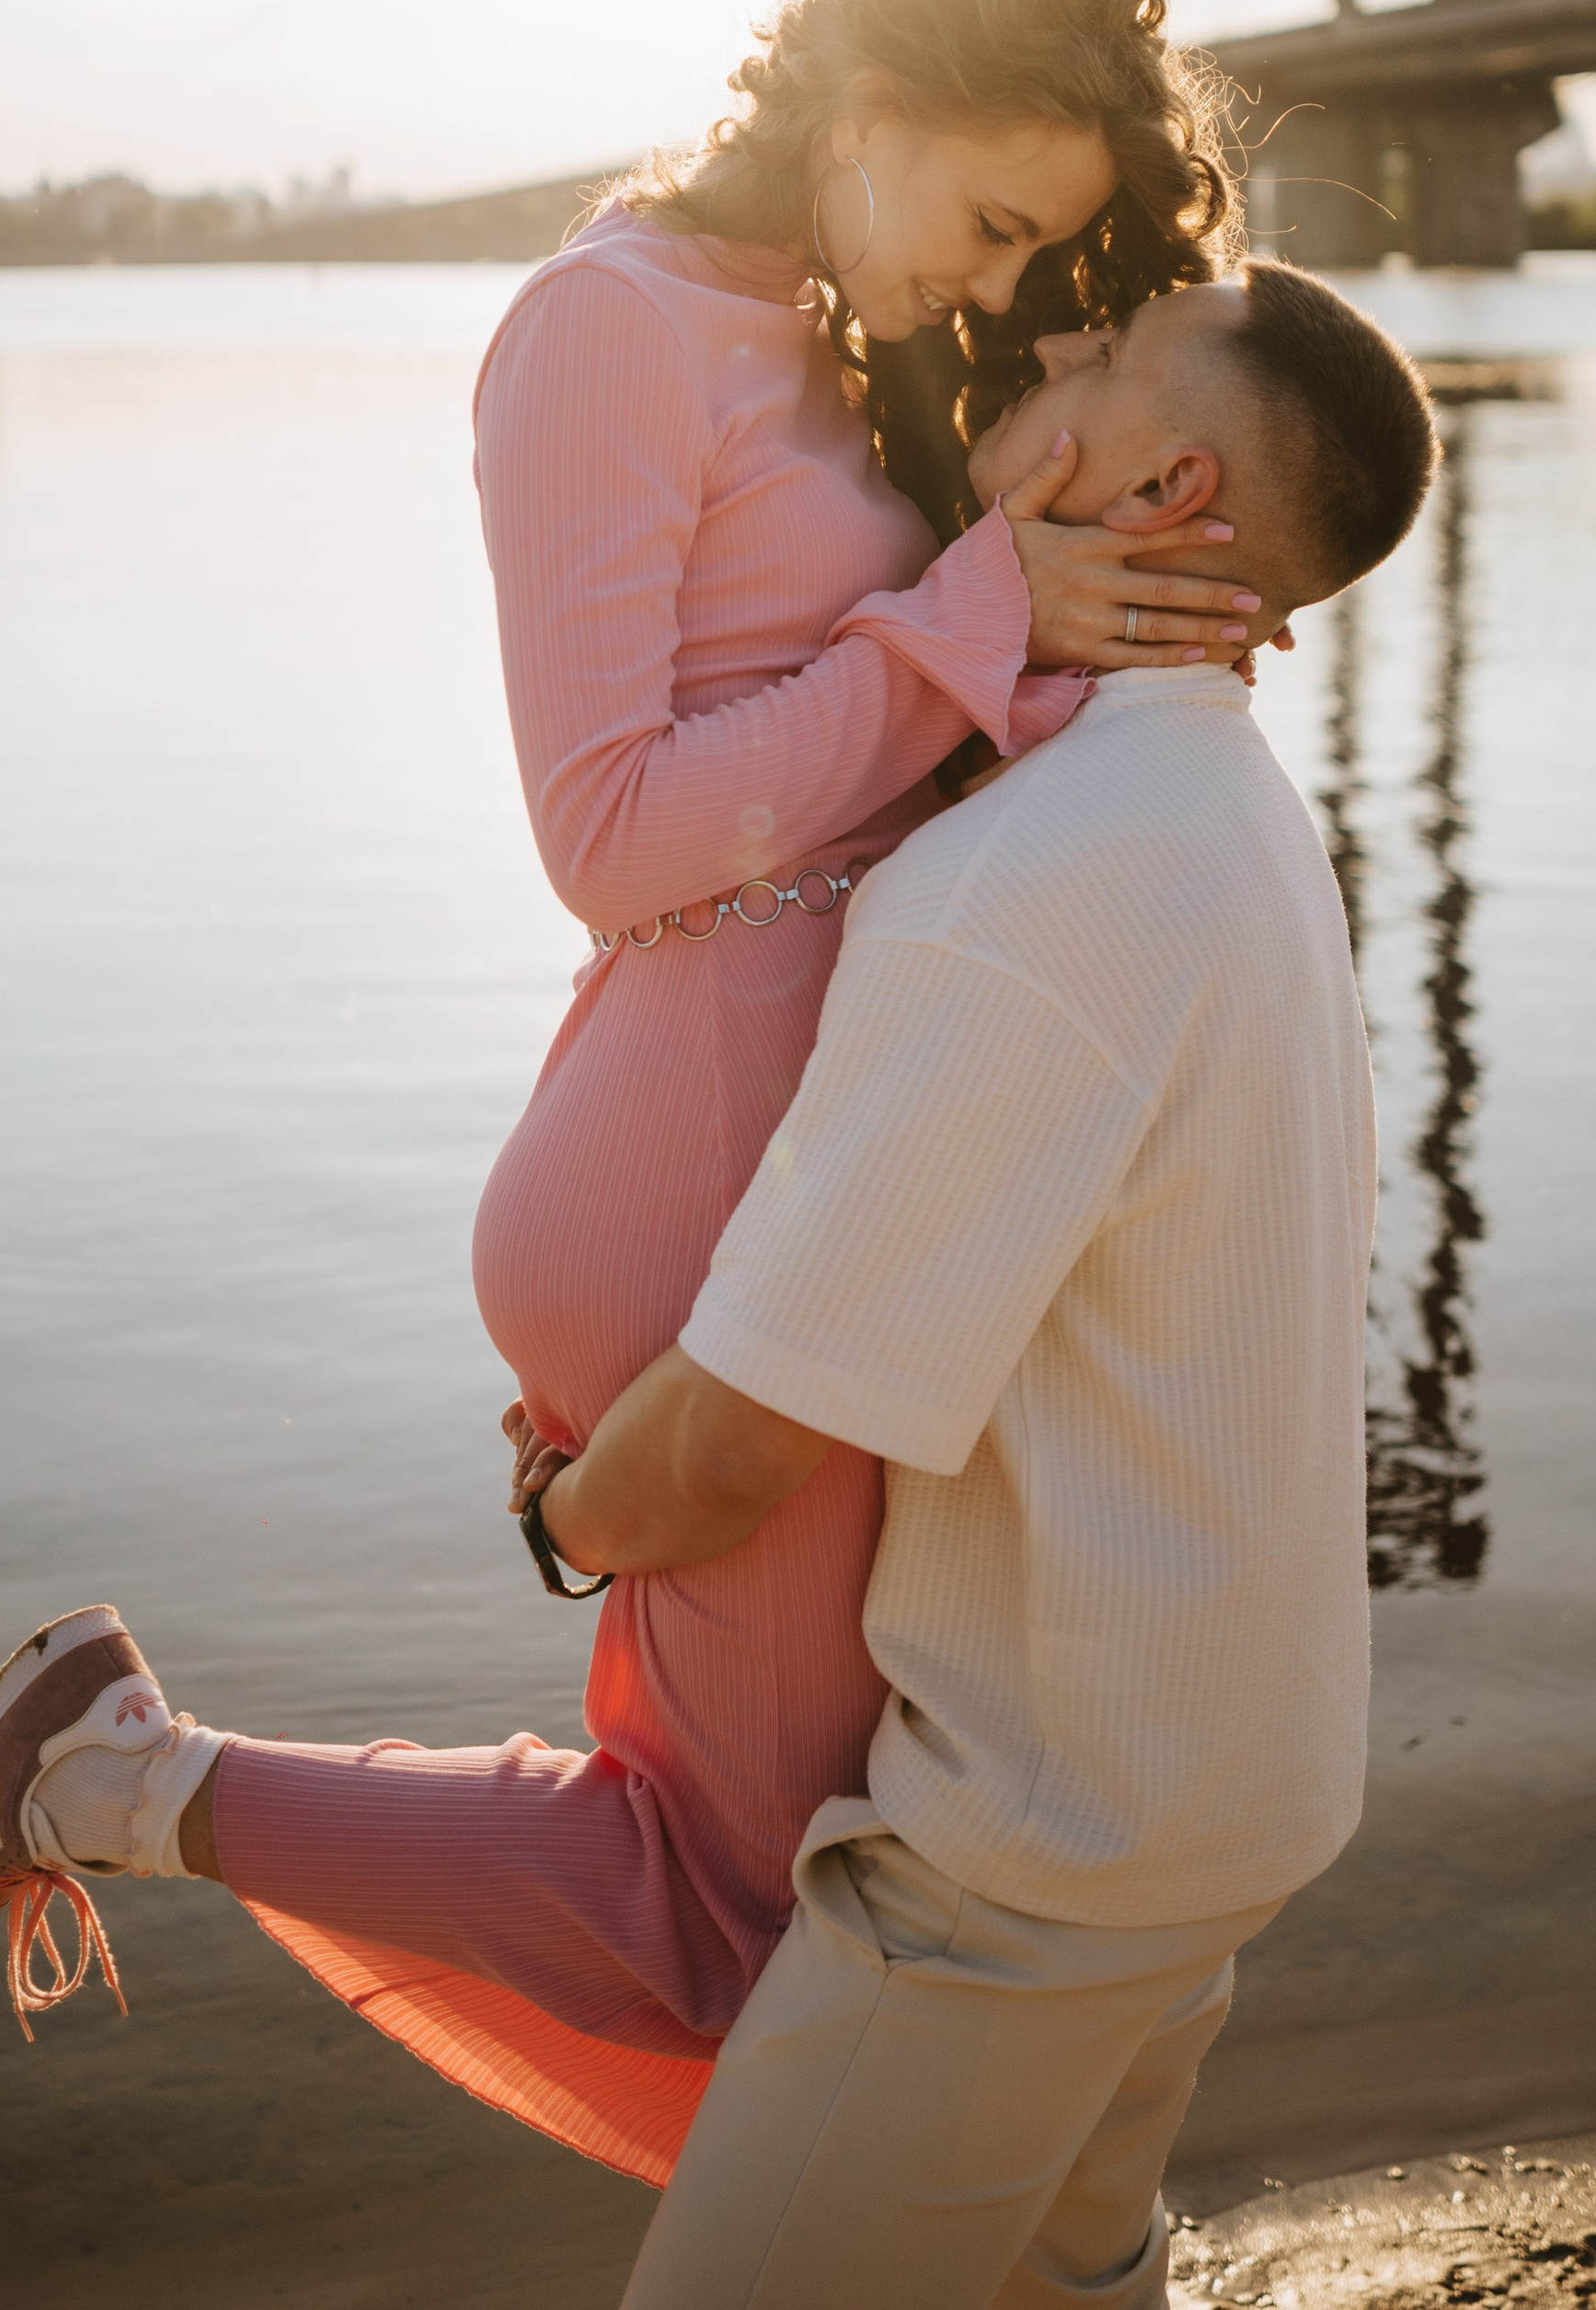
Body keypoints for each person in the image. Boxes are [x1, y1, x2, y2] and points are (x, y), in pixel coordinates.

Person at [0, 0, 1271, 2181]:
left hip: (798, 1153)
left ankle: (1020, 2245)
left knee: (818, 1842)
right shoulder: (602, 328)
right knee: (730, 1906)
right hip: (698, 1162)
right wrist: (976, 614)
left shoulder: (829, 336)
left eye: (1036, 246)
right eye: (986, 218)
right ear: (862, 109)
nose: (994, 275)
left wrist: (1107, 622)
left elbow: (898, 721)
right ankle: (107, 1775)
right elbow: (607, 834)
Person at [511, 259, 1441, 2305]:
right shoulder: (1231, 812)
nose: (1052, 339)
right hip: (1228, 1785)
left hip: (1033, 1852)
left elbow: (739, 1438)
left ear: (1164, 484)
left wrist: (560, 1515)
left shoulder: (1022, 879)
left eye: (1105, 351)